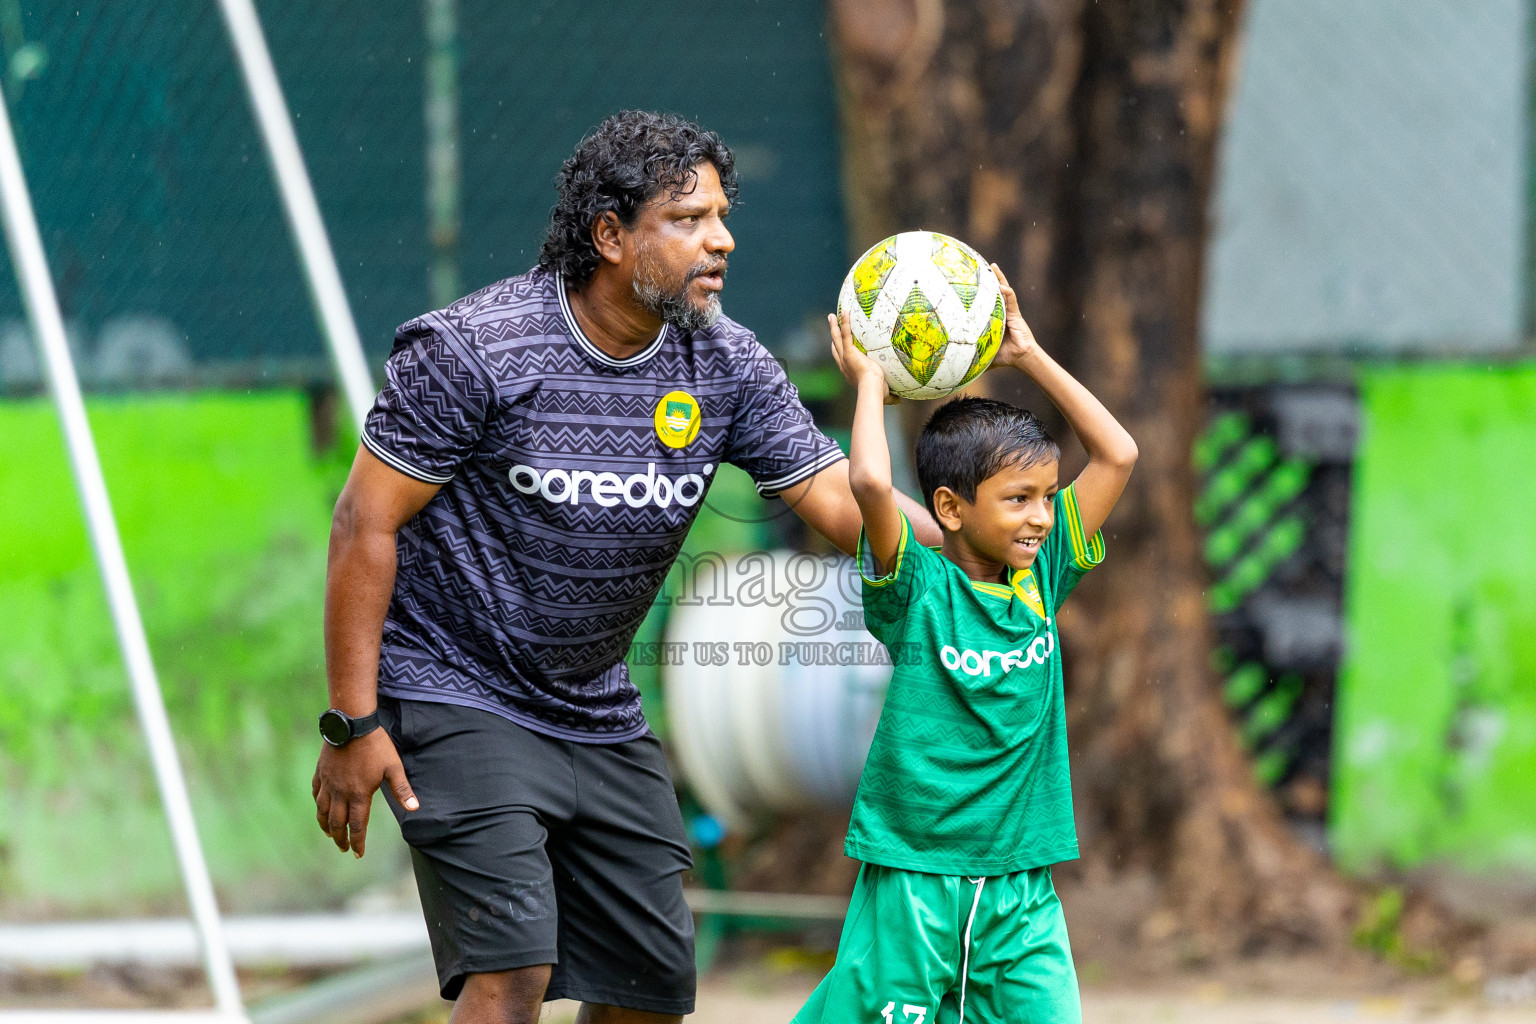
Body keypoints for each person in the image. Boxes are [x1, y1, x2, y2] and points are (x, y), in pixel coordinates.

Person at [310, 110, 939, 1024]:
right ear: (610, 236)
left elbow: (842, 502)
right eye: (687, 220)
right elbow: (363, 525)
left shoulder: (723, 365)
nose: (720, 239)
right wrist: (351, 723)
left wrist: (971, 559)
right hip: (454, 691)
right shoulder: (473, 351)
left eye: (722, 215)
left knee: (648, 989)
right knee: (511, 971)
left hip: (596, 709)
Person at [796, 265, 1138, 1024]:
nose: (1042, 517)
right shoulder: (914, 587)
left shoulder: (1044, 578)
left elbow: (1118, 455)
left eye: (1047, 498)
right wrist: (871, 383)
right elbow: (873, 488)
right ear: (949, 509)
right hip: (916, 877)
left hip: (1022, 888)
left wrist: (1030, 355)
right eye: (1019, 500)